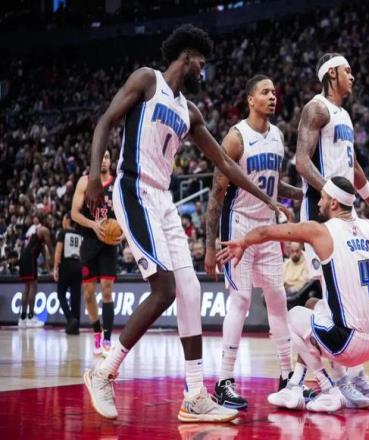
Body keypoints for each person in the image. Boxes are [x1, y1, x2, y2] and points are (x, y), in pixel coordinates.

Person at [83, 24, 289, 423]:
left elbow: (224, 161)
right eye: (202, 65)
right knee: (164, 290)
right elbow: (105, 122)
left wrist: (267, 198)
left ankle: (194, 395)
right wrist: (94, 176)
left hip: (162, 198)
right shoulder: (147, 80)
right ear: (188, 58)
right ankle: (104, 372)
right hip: (134, 188)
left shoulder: (189, 111)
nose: (203, 73)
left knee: (190, 290)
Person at [218, 177, 369, 412]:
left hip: (349, 345)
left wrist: (243, 242)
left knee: (292, 316)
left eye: (323, 199)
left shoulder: (321, 231)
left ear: (334, 203)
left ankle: (329, 389)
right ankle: (307, 384)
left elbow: (267, 232)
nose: (318, 204)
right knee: (313, 304)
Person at [204, 75, 302, 409]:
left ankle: (287, 376)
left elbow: (272, 186)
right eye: (265, 92)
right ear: (250, 100)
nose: (272, 97)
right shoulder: (235, 138)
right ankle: (223, 381)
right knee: (241, 299)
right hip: (238, 224)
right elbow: (217, 193)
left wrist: (301, 193)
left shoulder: (278, 135)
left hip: (267, 227)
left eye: (274, 92)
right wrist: (209, 245)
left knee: (278, 297)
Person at [294, 53, 369, 407]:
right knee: (333, 297)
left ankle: (356, 377)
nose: (353, 76)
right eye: (348, 70)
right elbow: (302, 161)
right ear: (331, 73)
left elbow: (352, 164)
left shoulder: (343, 114)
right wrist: (330, 193)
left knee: (351, 296)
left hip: (343, 209)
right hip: (321, 212)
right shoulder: (316, 108)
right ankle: (339, 380)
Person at [71, 150, 120, 355]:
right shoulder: (85, 182)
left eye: (107, 157)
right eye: (101, 156)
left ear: (111, 161)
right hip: (89, 242)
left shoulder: (118, 184)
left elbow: (128, 214)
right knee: (89, 294)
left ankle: (107, 338)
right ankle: (97, 331)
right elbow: (74, 214)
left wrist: (123, 234)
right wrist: (93, 225)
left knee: (107, 290)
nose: (104, 160)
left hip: (109, 243)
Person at [18, 215, 54, 328]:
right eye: (50, 219)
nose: (51, 221)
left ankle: (22, 318)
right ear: (45, 221)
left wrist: (49, 270)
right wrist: (55, 260)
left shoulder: (36, 233)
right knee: (33, 286)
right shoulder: (44, 230)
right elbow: (50, 248)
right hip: (30, 258)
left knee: (27, 287)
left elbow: (44, 253)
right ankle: (31, 317)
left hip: (23, 257)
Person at [53, 213, 83, 334]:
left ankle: (70, 319)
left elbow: (58, 251)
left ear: (67, 220)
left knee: (61, 294)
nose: (62, 222)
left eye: (63, 219)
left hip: (66, 265)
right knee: (75, 297)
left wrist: (56, 268)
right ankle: (75, 327)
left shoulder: (63, 233)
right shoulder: (79, 234)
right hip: (78, 265)